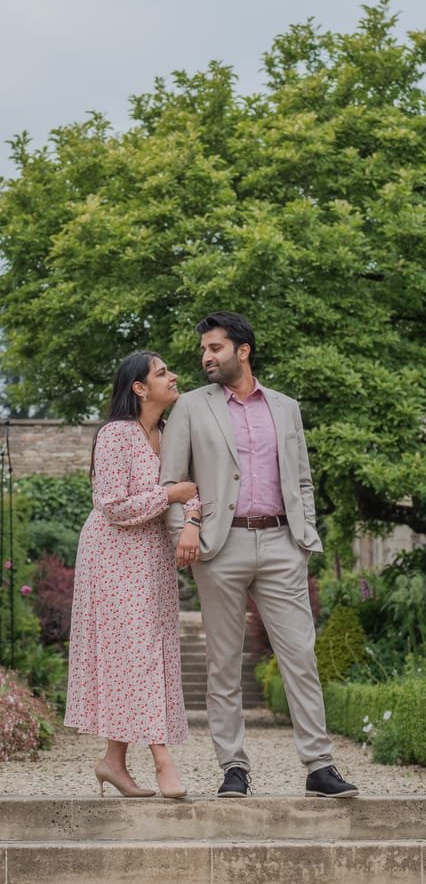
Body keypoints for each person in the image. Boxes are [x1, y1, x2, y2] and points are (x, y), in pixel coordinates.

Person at [160, 312, 358, 799]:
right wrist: (186, 537)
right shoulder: (188, 407)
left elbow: (303, 479)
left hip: (280, 544)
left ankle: (319, 766)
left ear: (242, 351)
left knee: (301, 658)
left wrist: (304, 539)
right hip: (217, 548)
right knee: (223, 664)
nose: (206, 357)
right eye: (204, 349)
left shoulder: (286, 408)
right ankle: (234, 768)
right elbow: (170, 483)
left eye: (216, 348)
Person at [64, 351, 198, 798]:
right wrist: (169, 495)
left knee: (146, 654)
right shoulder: (116, 435)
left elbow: (193, 487)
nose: (173, 376)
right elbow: (114, 505)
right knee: (138, 653)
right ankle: (163, 762)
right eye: (162, 373)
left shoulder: (170, 433)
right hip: (113, 556)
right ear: (139, 388)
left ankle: (113, 762)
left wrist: (191, 516)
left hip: (154, 557)